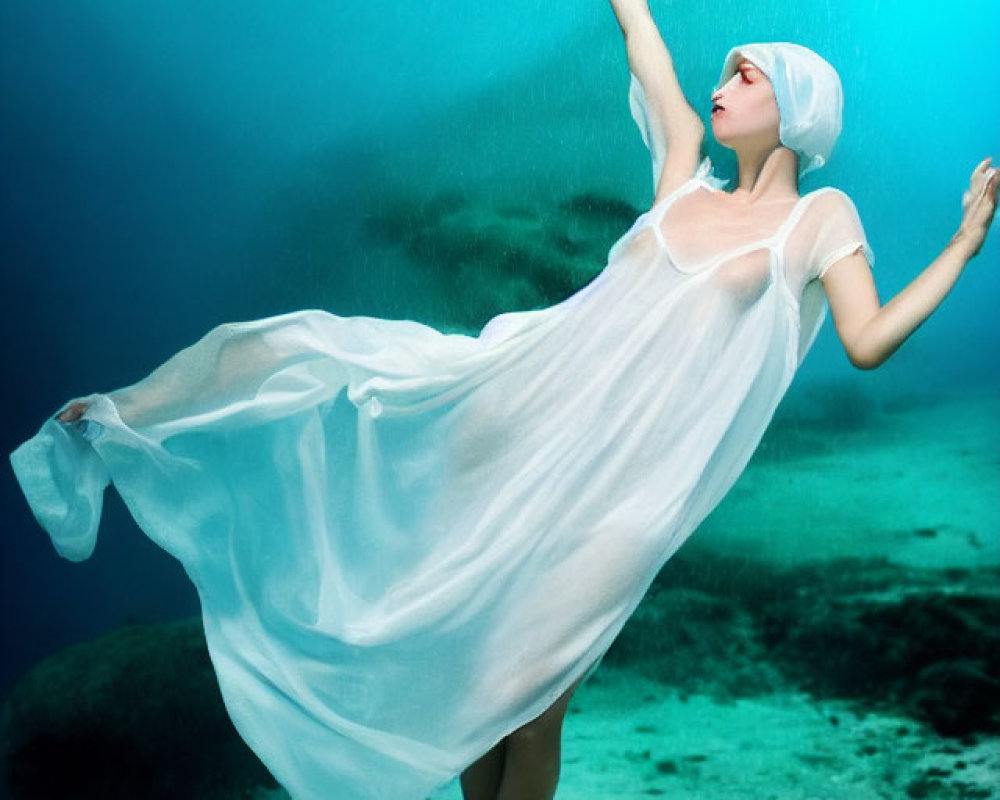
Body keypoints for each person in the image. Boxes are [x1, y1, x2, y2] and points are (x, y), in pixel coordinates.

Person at [12, 1, 997, 798]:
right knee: (323, 364)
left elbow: (864, 341)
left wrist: (958, 246)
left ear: (796, 103)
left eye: (745, 74)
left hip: (625, 492)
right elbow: (640, 36)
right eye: (726, 71)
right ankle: (125, 417)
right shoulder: (680, 188)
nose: (721, 83)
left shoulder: (818, 219)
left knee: (533, 694)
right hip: (530, 427)